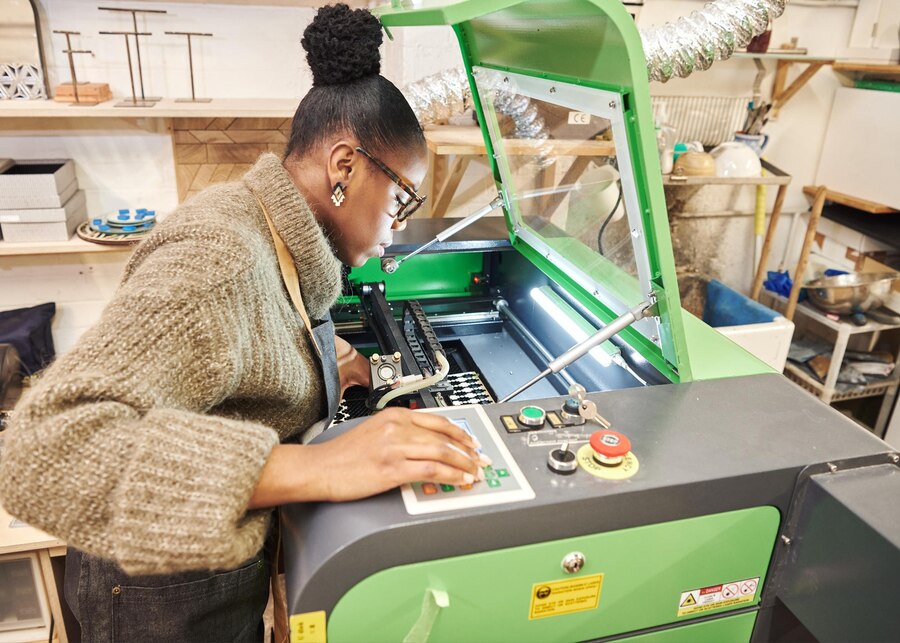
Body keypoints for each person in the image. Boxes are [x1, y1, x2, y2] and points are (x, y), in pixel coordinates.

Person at [0, 5, 487, 642]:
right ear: (345, 167)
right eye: (400, 198)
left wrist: (327, 361)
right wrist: (326, 467)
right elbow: (46, 453)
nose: (396, 230)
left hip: (208, 583)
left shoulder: (267, 226)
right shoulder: (220, 255)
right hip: (157, 601)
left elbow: (244, 340)